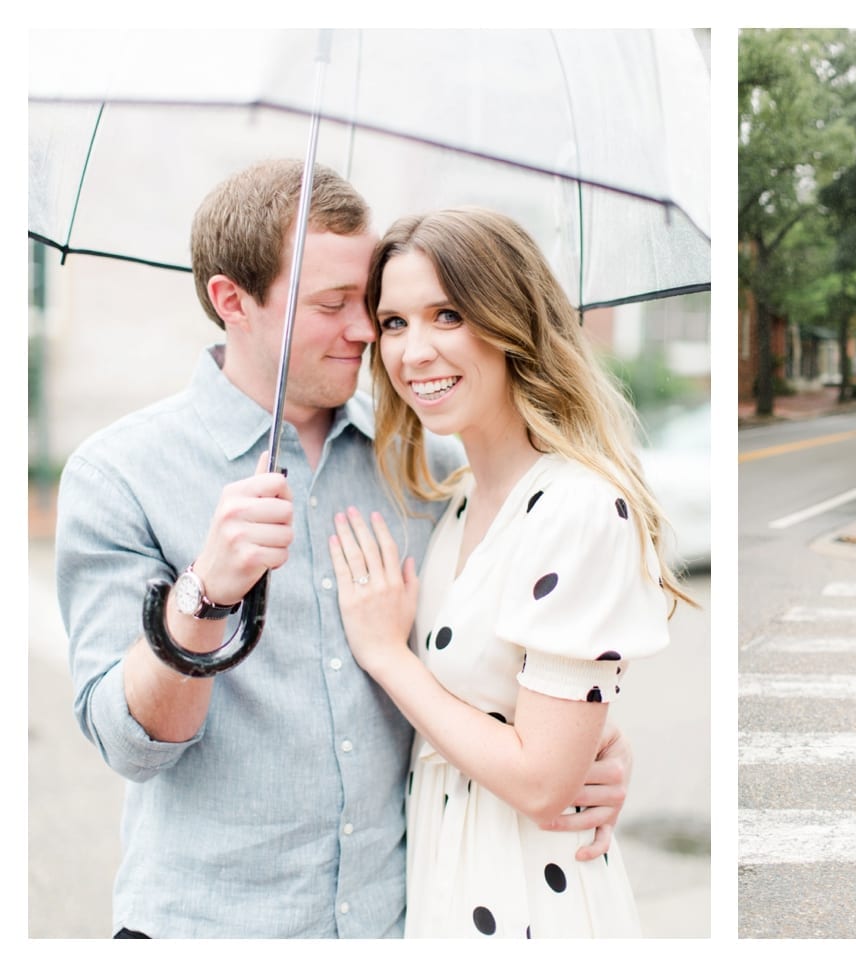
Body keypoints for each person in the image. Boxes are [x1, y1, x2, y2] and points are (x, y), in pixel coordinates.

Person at [55, 160, 632, 939]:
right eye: (333, 306)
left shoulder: (426, 465)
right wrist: (205, 595)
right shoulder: (117, 473)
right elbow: (128, 744)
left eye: (369, 306)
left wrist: (586, 740)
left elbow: (495, 660)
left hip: (397, 924)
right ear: (233, 302)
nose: (366, 332)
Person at [325, 207, 689, 938]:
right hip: (443, 878)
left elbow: (543, 778)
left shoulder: (578, 506)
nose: (414, 351)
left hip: (527, 900)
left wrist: (387, 657)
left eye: (447, 314)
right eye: (393, 323)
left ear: (510, 320)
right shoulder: (455, 503)